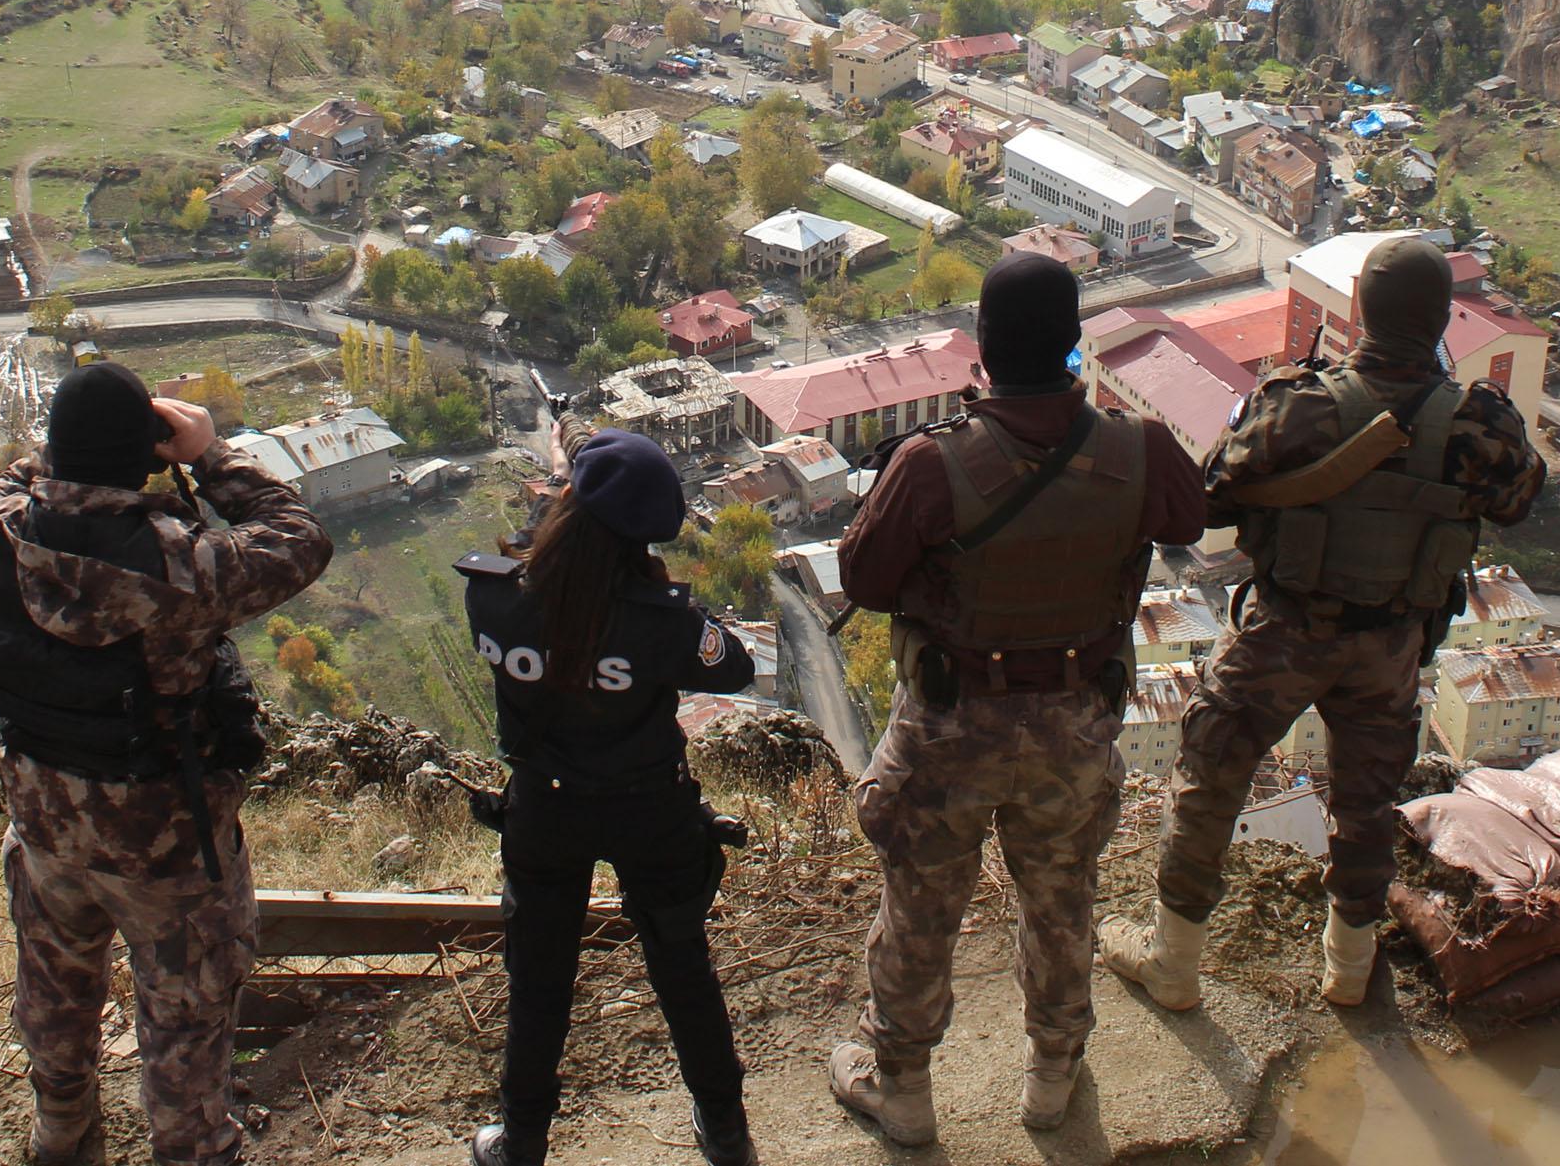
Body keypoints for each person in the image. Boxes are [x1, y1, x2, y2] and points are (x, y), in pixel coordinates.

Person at [1101, 236, 1545, 1013]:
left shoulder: (1298, 404)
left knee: (1211, 775)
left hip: (1285, 632)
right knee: (1366, 800)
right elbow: (1518, 501)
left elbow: (1213, 497)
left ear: (1358, 313)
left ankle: (1174, 964)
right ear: (1442, 317)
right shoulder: (1483, 423)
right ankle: (1347, 968)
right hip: (1393, 646)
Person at [824, 252, 1205, 1145]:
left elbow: (863, 577)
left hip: (951, 727)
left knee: (919, 906)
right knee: (1063, 897)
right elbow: (1189, 518)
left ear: (983, 347)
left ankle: (905, 1089)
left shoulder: (930, 462)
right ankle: (1051, 1075)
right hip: (1075, 724)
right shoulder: (1136, 448)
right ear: (1074, 345)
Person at [0, 361, 333, 1166]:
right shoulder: (183, 572)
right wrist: (211, 455)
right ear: (147, 455)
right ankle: (189, 1148)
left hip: (46, 830)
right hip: (166, 847)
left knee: (55, 1001)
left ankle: (60, 1135)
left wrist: (57, 451)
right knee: (185, 1025)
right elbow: (301, 537)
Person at [458, 425, 758, 1166]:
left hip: (545, 810)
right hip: (651, 808)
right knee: (683, 965)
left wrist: (562, 489)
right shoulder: (662, 624)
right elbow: (736, 666)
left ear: (566, 504)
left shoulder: (492, 598)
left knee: (539, 980)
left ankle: (522, 1140)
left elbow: (541, 562)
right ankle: (725, 1131)